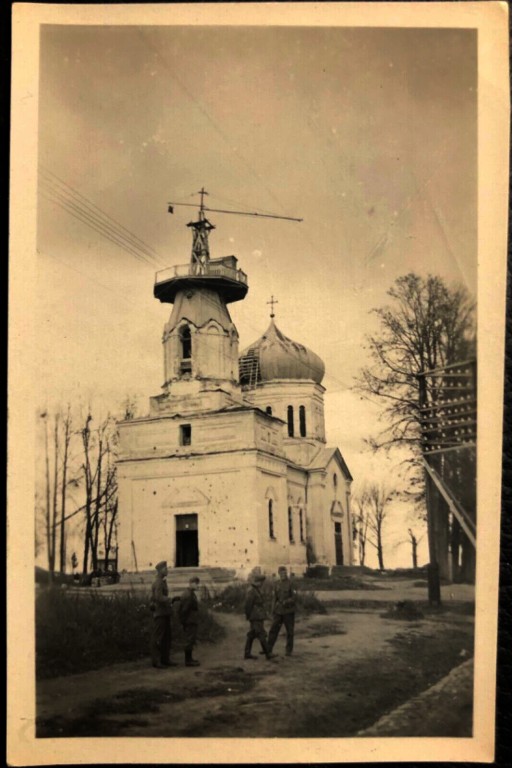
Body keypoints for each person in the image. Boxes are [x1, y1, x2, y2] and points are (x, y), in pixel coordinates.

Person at [150, 561, 177, 669]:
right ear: (160, 570)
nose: (167, 571)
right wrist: (170, 599)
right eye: (165, 569)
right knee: (158, 637)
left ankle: (165, 659)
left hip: (165, 613)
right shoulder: (158, 582)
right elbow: (158, 597)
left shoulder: (162, 581)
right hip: (160, 613)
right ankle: (156, 661)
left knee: (166, 637)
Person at [244, 573, 275, 660]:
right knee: (261, 634)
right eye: (260, 582)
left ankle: (247, 653)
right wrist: (248, 615)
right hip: (255, 617)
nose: (261, 584)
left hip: (257, 616)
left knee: (252, 634)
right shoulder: (252, 591)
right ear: (257, 582)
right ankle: (268, 654)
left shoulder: (255, 590)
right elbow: (248, 605)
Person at [267, 566, 297, 657]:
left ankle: (289, 651)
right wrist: (272, 611)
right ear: (279, 574)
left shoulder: (291, 583)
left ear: (286, 573)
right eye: (281, 573)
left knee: (290, 632)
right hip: (278, 612)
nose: (283, 575)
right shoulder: (276, 584)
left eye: (284, 573)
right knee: (273, 630)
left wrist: (287, 602)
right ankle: (268, 649)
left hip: (288, 611)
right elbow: (274, 599)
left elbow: (295, 597)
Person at [178, 576, 201, 667]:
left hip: (190, 620)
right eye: (196, 584)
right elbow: (184, 610)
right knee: (189, 640)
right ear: (191, 583)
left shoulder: (189, 593)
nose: (197, 586)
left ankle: (190, 659)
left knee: (191, 640)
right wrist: (184, 621)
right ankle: (188, 661)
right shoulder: (188, 595)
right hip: (190, 621)